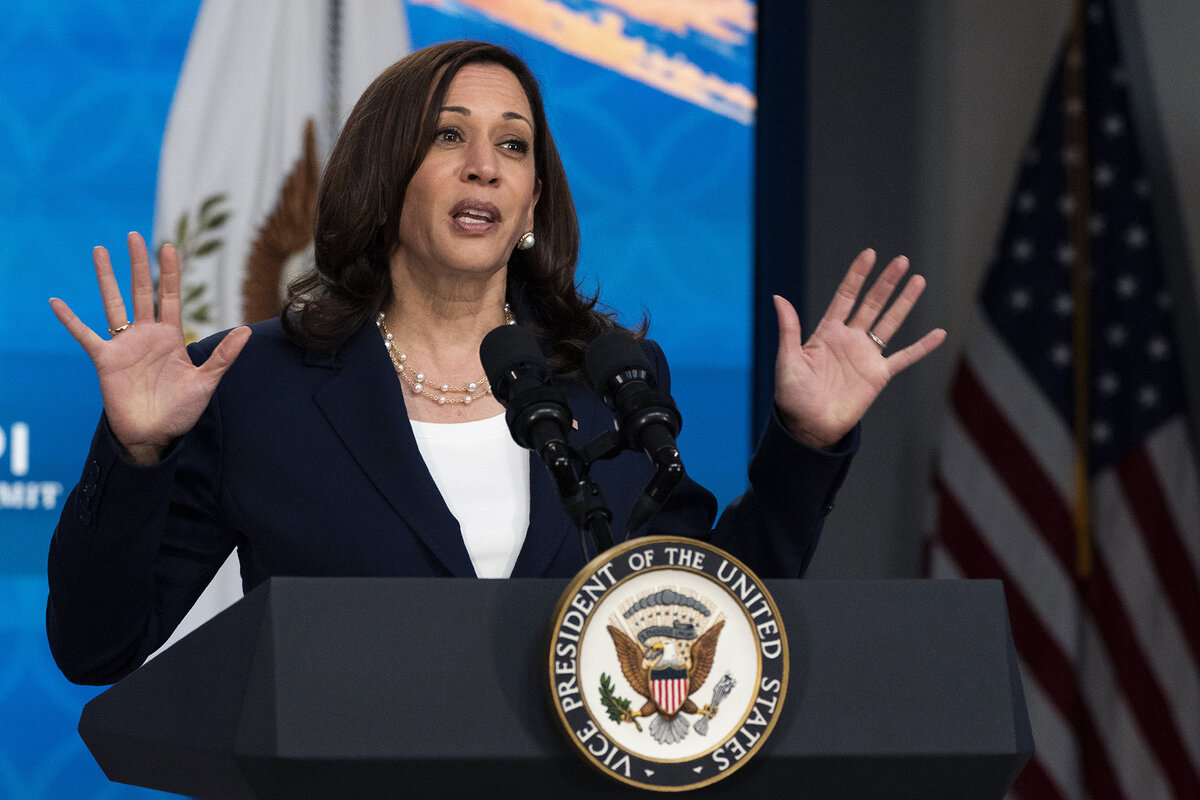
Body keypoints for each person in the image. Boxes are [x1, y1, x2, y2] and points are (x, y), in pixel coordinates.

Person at [46, 41, 945, 686]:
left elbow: (704, 620)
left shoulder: (612, 378)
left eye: (513, 145)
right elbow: (98, 649)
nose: (484, 166)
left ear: (532, 200)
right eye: (448, 137)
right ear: (384, 174)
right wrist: (136, 453)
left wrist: (804, 446)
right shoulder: (257, 384)